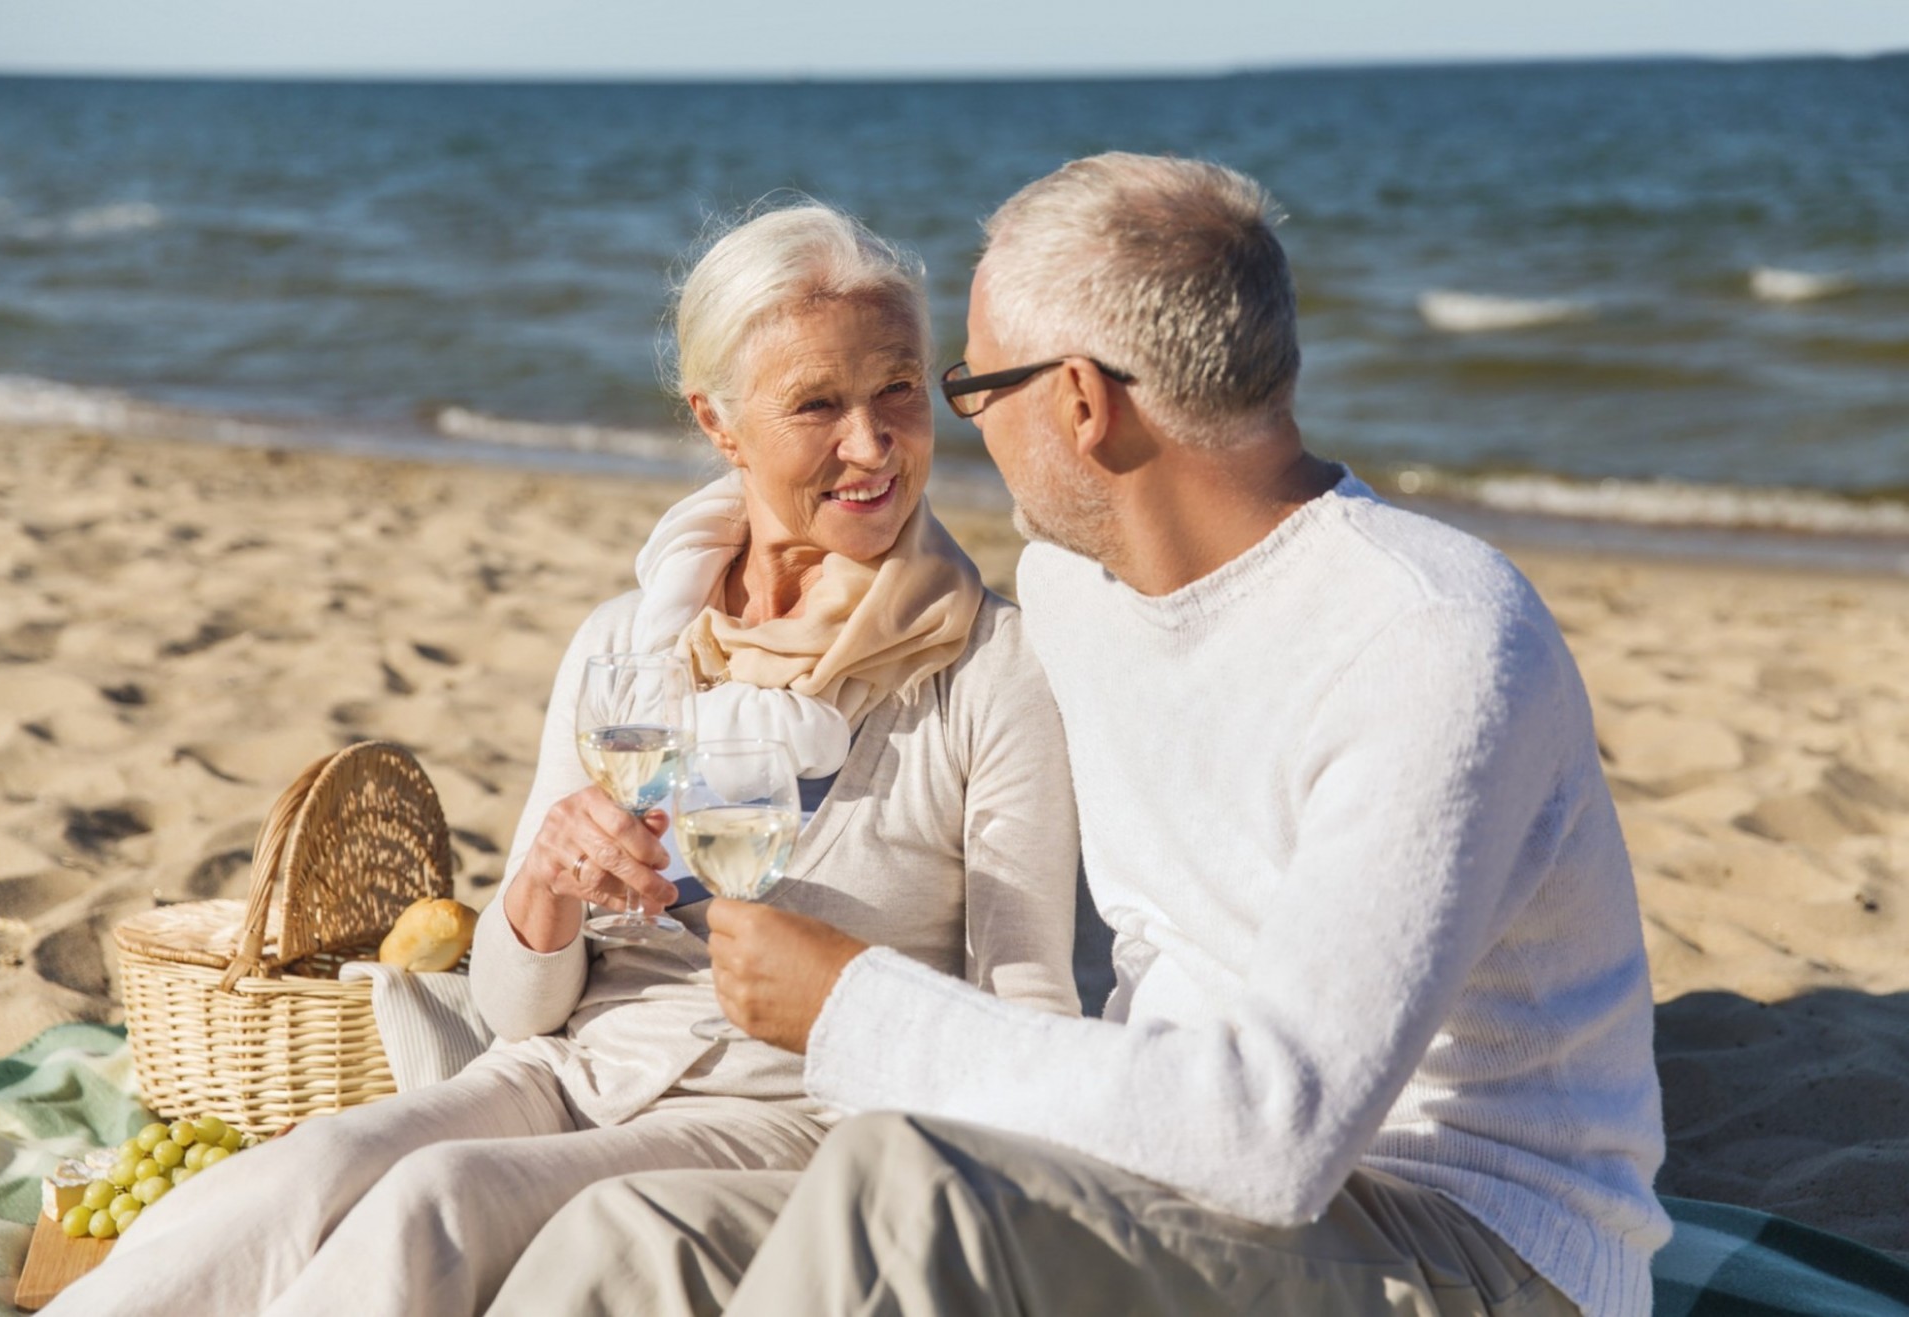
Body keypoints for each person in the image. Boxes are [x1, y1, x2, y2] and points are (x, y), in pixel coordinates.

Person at [494, 154, 1673, 1317]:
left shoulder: (1431, 637)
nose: (948, 427)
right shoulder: (1076, 595)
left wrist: (851, 1003)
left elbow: (1276, 1138)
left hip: (1459, 1240)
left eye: (968, 387)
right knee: (634, 1235)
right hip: (1150, 1167)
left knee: (900, 1190)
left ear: (1077, 401)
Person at [51, 203, 1082, 1317]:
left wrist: (841, 998)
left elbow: (1029, 1011)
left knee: (437, 1200)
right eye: (817, 405)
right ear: (719, 423)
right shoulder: (624, 649)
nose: (874, 443)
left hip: (792, 1113)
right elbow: (512, 1011)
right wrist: (542, 888)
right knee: (296, 1179)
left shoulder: (989, 671)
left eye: (897, 390)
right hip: (564, 1070)